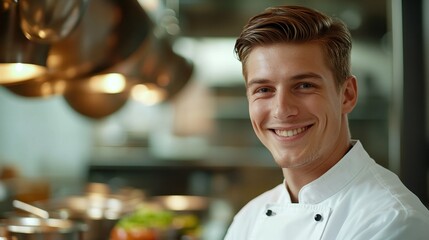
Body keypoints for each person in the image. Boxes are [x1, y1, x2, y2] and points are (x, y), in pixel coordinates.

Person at [224, 5, 429, 240]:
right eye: (264, 89)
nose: (282, 110)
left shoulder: (392, 221)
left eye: (304, 85)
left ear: (347, 94)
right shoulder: (248, 219)